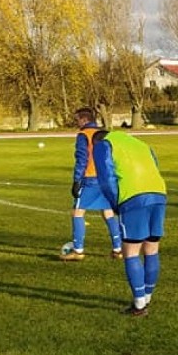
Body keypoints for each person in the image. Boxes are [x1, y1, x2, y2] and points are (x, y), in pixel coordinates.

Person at [91, 128, 167, 317]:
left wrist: (116, 203)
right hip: (159, 193)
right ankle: (147, 296)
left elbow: (106, 178)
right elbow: (155, 165)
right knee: (152, 248)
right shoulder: (139, 143)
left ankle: (139, 305)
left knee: (131, 251)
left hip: (133, 197)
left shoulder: (104, 145)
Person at [61, 108, 124, 262]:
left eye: (77, 120)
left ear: (83, 119)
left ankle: (78, 250)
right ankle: (118, 249)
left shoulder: (83, 135)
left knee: (77, 212)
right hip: (107, 178)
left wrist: (77, 180)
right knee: (108, 212)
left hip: (90, 179)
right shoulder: (106, 134)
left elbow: (82, 159)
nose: (76, 123)